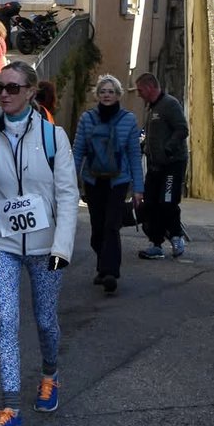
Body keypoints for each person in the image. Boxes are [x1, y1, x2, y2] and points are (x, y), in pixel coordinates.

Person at [0, 60, 79, 426]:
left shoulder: (52, 137)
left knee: (45, 321)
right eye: (0, 87)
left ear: (30, 92)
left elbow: (67, 194)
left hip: (46, 248)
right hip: (2, 245)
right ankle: (11, 408)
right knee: (6, 323)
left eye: (13, 87)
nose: (4, 94)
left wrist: (62, 247)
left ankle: (49, 374)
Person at [72, 75, 143, 293]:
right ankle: (103, 266)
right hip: (93, 181)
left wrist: (139, 188)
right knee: (97, 227)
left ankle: (110, 272)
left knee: (112, 225)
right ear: (97, 95)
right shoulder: (87, 119)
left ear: (118, 95)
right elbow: (78, 152)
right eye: (103, 91)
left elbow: (134, 155)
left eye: (111, 91)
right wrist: (69, 183)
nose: (107, 95)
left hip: (118, 181)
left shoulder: (129, 121)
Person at [134, 72, 189, 260]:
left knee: (167, 202)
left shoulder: (170, 104)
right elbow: (153, 136)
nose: (139, 94)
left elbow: (182, 129)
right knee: (150, 204)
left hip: (172, 164)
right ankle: (156, 243)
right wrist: (144, 147)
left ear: (150, 87)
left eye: (140, 90)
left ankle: (176, 236)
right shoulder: (152, 109)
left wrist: (168, 149)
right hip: (155, 166)